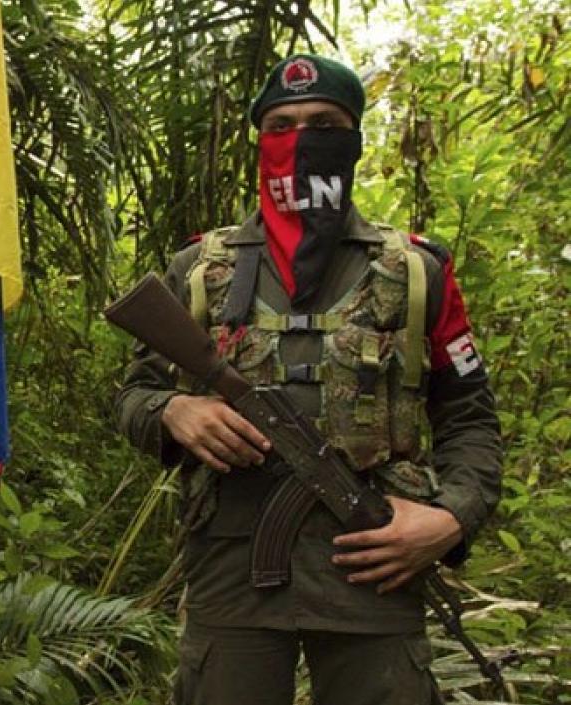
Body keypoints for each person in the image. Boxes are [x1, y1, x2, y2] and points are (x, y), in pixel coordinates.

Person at [114, 54, 502, 705]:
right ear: (260, 142)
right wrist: (174, 412)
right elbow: (134, 395)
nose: (301, 141)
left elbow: (470, 420)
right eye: (281, 126)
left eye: (324, 124)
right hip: (232, 573)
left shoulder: (416, 272)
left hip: (374, 563)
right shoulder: (199, 268)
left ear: (354, 140)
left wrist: (448, 518)